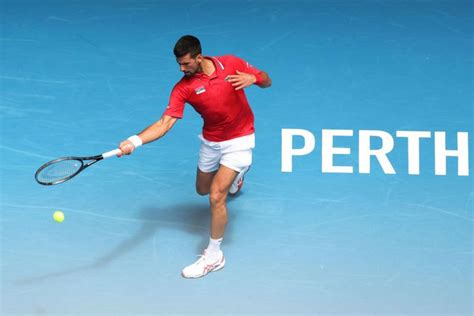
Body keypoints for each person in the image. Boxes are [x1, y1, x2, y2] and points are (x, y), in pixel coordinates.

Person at [117, 35, 271, 278]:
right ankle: (237, 176)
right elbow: (165, 123)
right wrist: (135, 141)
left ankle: (213, 256)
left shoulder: (230, 63)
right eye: (179, 64)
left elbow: (267, 80)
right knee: (201, 189)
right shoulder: (183, 88)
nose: (181, 68)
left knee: (215, 196)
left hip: (240, 139)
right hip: (211, 140)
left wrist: (254, 78)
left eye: (186, 64)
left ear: (199, 58)